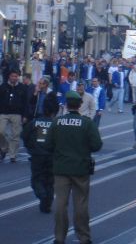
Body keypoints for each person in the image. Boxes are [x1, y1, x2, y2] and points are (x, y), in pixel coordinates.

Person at [45, 91, 102, 244]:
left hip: (61, 169)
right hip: (80, 168)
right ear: (80, 105)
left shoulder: (57, 122)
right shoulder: (86, 123)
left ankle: (59, 238)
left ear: (66, 105)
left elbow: (48, 145)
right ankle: (83, 237)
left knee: (60, 204)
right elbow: (97, 145)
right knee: (81, 203)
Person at [21, 92, 59, 212]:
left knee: (36, 179)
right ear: (55, 111)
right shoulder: (57, 124)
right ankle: (46, 205)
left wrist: (31, 149)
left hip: (37, 155)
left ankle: (42, 195)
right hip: (52, 156)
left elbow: (24, 136)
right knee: (49, 180)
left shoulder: (34, 123)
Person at [0, 70, 29, 162]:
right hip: (3, 112)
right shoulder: (3, 86)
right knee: (1, 131)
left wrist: (25, 115)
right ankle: (4, 148)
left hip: (17, 113)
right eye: (12, 76)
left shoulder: (22, 88)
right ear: (9, 76)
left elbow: (26, 103)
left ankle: (13, 155)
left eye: (16, 76)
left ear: (18, 77)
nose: (14, 78)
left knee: (15, 135)